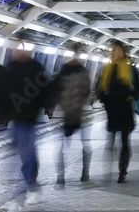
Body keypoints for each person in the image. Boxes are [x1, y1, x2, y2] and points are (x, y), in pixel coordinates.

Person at [7, 35, 49, 204]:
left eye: (16, 48)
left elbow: (43, 90)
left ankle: (31, 183)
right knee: (23, 150)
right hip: (16, 117)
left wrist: (35, 109)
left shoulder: (35, 67)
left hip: (27, 117)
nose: (13, 51)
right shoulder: (11, 67)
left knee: (26, 151)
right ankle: (29, 181)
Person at [97, 41, 139, 183]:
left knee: (124, 141)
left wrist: (132, 96)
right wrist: (103, 99)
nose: (116, 53)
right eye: (114, 50)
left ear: (124, 52)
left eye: (118, 50)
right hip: (111, 111)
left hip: (125, 111)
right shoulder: (106, 69)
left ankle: (122, 171)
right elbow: (99, 87)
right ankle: (108, 170)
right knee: (110, 142)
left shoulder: (131, 70)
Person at [52, 45, 92, 186]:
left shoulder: (65, 70)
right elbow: (86, 91)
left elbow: (56, 89)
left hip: (73, 113)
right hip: (75, 113)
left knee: (63, 147)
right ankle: (82, 173)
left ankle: (62, 177)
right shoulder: (83, 71)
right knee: (83, 146)